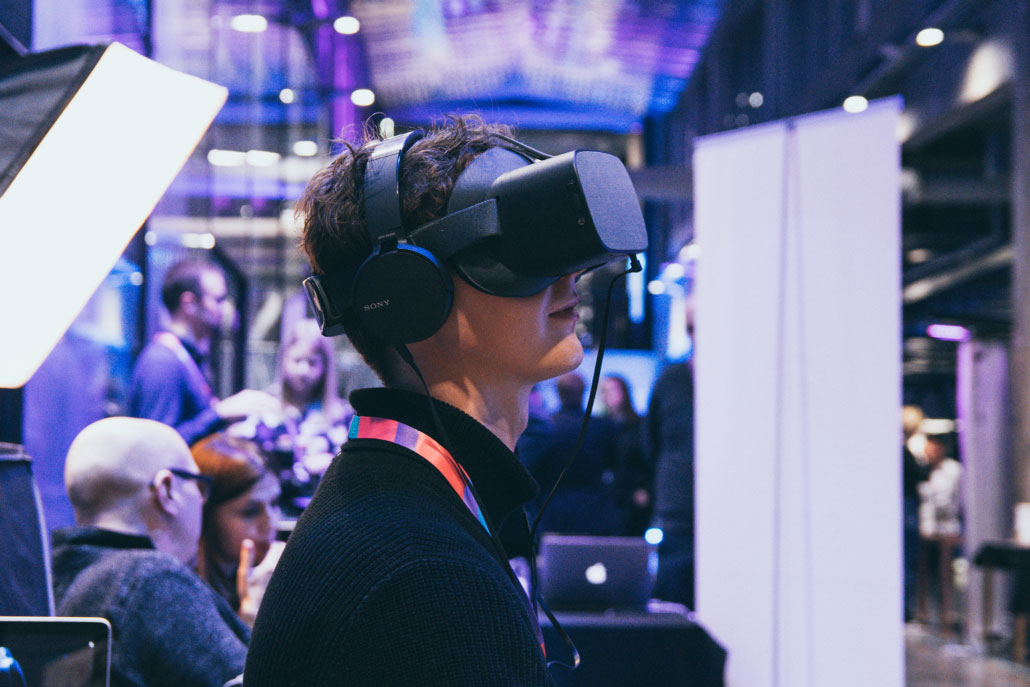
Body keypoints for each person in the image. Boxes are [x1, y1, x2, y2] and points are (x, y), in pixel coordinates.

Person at [244, 116, 646, 685]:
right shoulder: (427, 572)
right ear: (405, 295)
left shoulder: (399, 507)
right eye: (510, 253)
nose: (569, 277)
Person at [50, 417, 249, 687]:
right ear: (167, 490)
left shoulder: (44, 576)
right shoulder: (153, 581)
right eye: (198, 485)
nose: (202, 500)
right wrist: (267, 624)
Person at [128, 259, 278, 445]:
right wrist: (219, 414)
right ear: (189, 303)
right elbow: (158, 446)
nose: (227, 309)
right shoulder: (163, 360)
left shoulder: (187, 356)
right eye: (219, 299)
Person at [232, 318, 352, 516]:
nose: (303, 371)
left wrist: (332, 463)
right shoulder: (264, 408)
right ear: (284, 359)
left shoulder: (341, 416)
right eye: (297, 360)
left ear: (325, 366)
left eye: (312, 362)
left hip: (324, 517)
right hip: (272, 515)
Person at [191, 433, 284, 625]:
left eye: (274, 503)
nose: (270, 523)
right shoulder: (187, 598)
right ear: (206, 515)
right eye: (250, 511)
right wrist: (253, 613)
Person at [530, 371, 619, 535]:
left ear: (558, 393)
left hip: (550, 510)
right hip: (594, 511)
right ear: (584, 391)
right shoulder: (603, 427)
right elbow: (615, 466)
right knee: (593, 561)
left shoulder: (545, 426)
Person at [600, 374, 652, 536]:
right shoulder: (601, 426)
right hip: (610, 496)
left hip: (634, 496)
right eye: (604, 392)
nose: (608, 396)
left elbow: (647, 458)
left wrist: (645, 488)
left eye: (613, 390)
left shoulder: (638, 425)